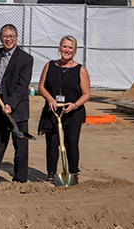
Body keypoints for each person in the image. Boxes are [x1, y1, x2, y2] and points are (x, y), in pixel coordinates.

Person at [0, 24, 33, 184]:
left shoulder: (26, 59)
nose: (8, 39)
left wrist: (10, 104)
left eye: (11, 36)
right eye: (5, 36)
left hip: (17, 108)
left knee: (20, 146)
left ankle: (20, 178)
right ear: (0, 38)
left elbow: (22, 86)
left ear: (16, 38)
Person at [37, 35, 91, 183]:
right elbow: (41, 87)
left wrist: (74, 105)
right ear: (59, 48)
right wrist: (50, 99)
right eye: (64, 46)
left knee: (71, 143)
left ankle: (73, 172)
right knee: (52, 143)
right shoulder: (49, 65)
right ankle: (51, 173)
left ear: (74, 51)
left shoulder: (81, 70)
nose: (67, 50)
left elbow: (87, 94)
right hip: (53, 111)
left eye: (70, 47)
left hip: (73, 113)